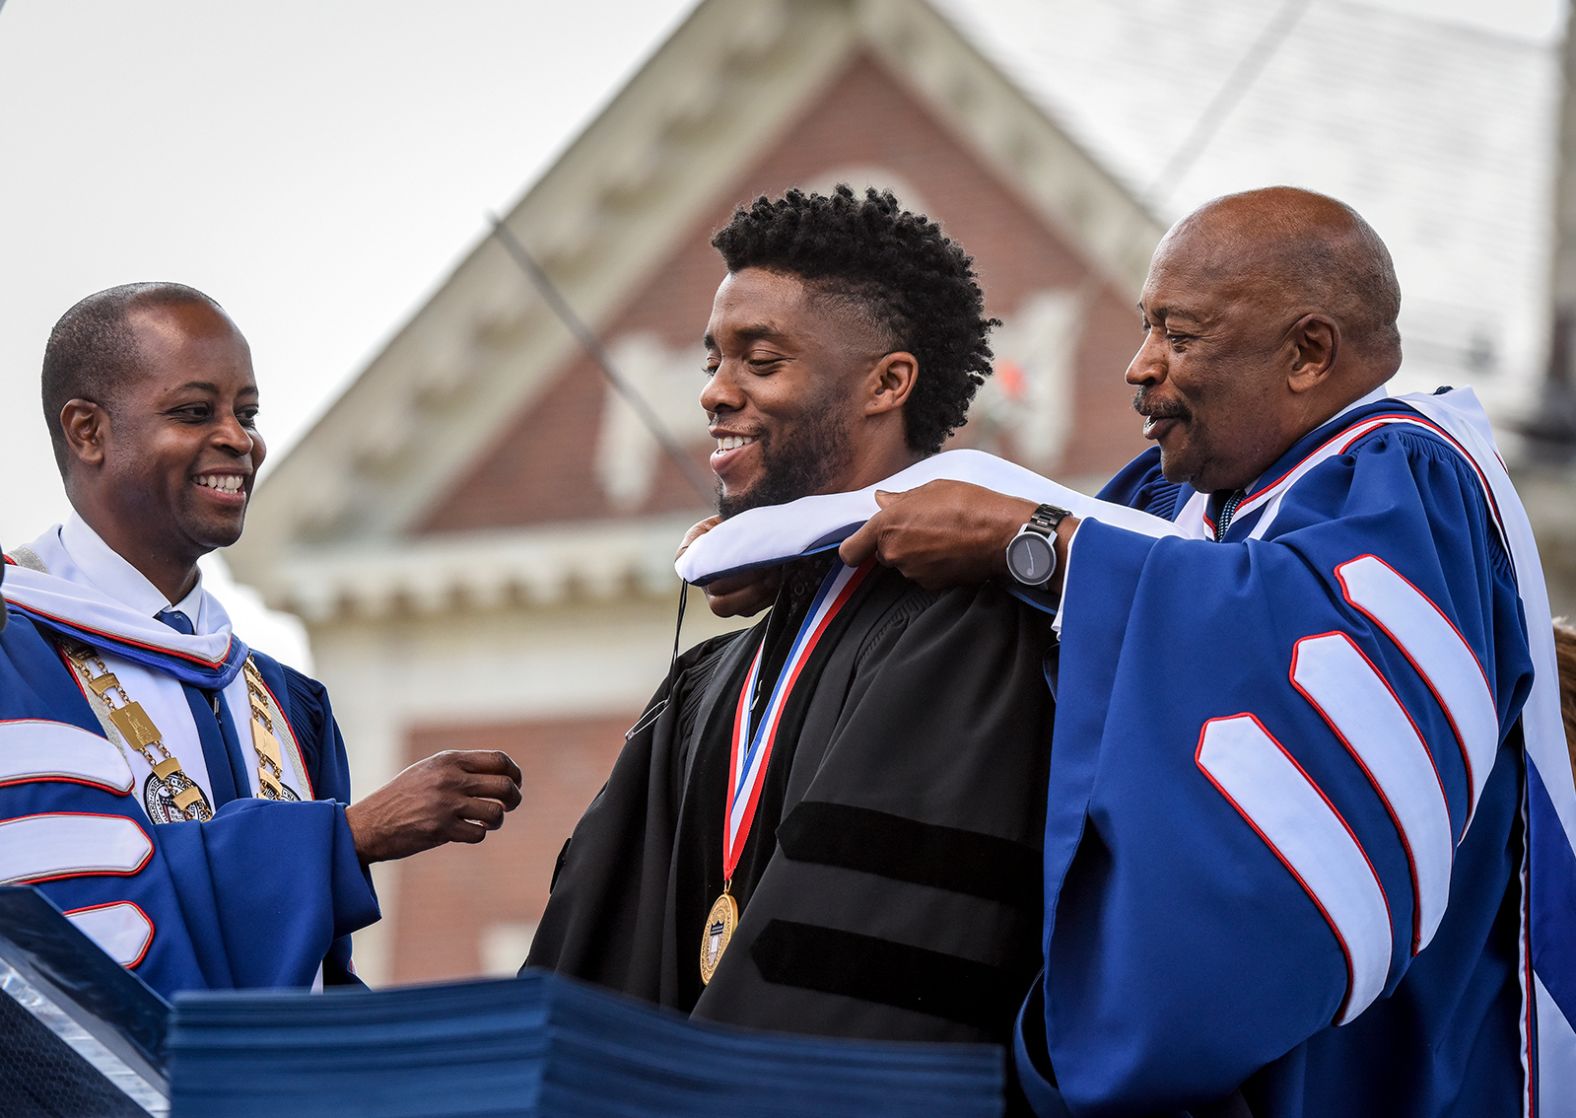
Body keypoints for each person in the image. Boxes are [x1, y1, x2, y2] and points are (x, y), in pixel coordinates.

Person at [694, 186, 1575, 1114]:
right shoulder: (1183, 495)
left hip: (1374, 1070)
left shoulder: (1406, 476)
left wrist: (1024, 541)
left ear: (1308, 352)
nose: (1138, 366)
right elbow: (1052, 546)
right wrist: (812, 548)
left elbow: (1285, 648)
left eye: (1180, 336)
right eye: (1146, 327)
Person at [524, 187, 1056, 1050]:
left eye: (760, 363)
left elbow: (879, 965)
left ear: (888, 383)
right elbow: (600, 940)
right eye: (713, 362)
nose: (714, 394)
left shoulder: (966, 632)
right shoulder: (717, 675)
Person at [0, 283, 523, 998]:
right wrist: (348, 838)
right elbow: (69, 934)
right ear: (88, 431)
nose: (239, 440)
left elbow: (316, 980)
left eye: (246, 413)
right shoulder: (16, 655)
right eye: (194, 411)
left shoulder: (282, 698)